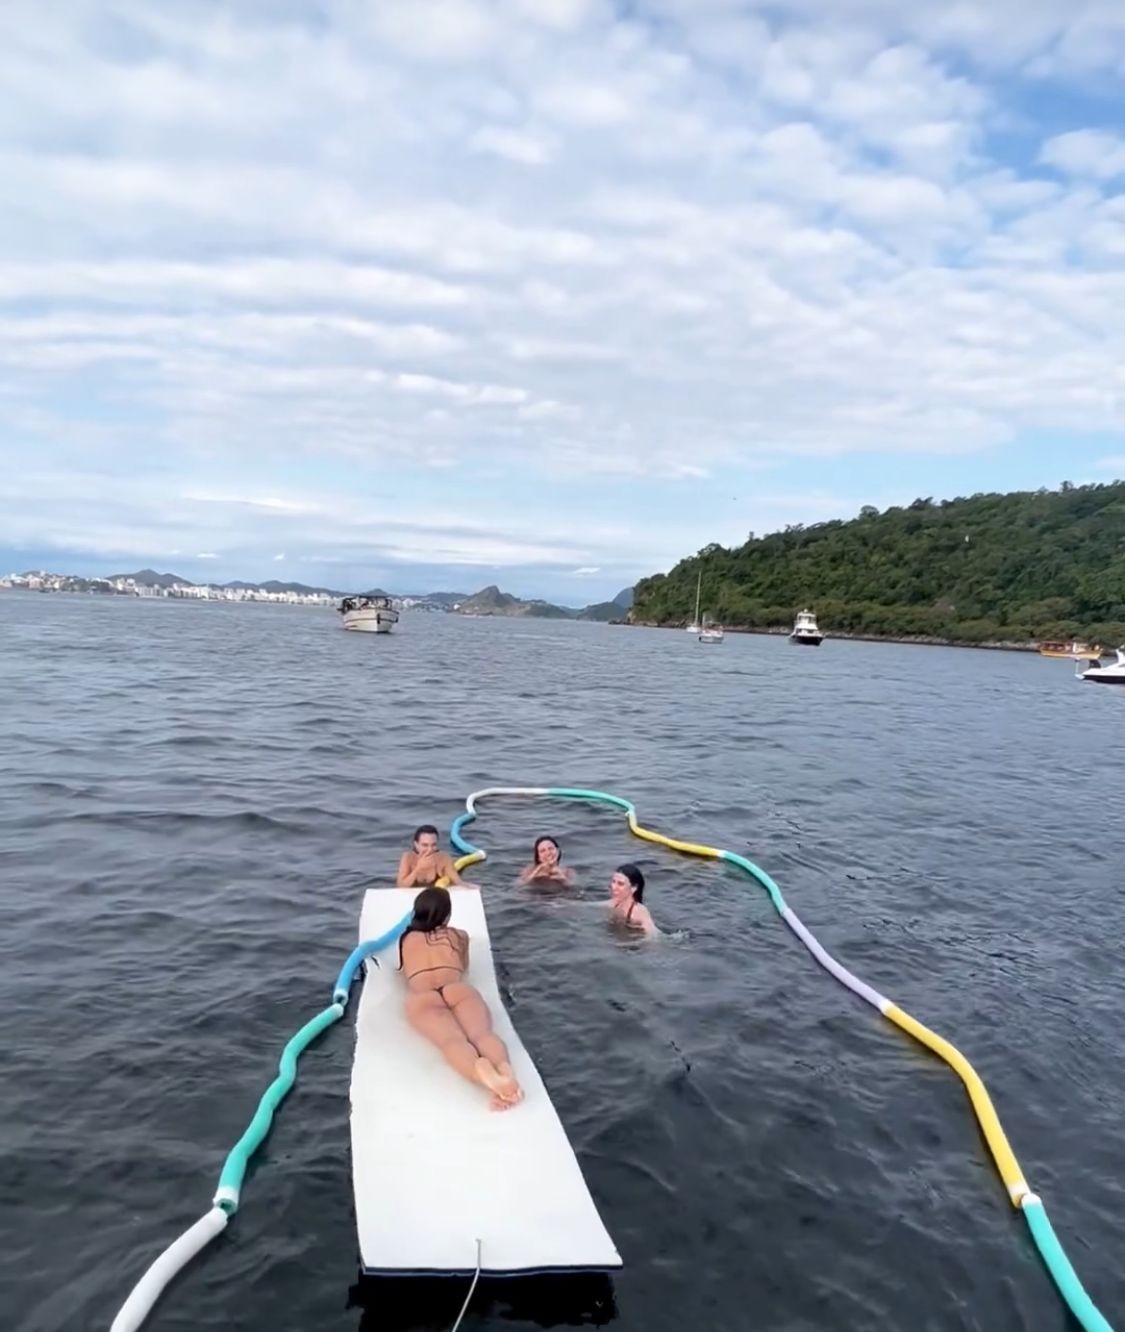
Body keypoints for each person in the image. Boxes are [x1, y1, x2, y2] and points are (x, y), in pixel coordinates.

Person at [398, 887, 523, 1111]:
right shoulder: (459, 935)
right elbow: (463, 967)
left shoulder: (406, 939)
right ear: (447, 915)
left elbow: (404, 970)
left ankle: (485, 1076)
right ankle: (506, 1074)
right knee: (481, 1034)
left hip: (423, 997)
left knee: (452, 1042)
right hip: (457, 989)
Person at [397, 825, 464, 888]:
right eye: (425, 845)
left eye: (433, 845)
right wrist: (418, 869)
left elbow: (458, 882)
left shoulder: (443, 858)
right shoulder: (408, 858)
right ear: (416, 844)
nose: (430, 850)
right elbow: (401, 885)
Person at [608, 863, 658, 937]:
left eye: (620, 884)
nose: (614, 887)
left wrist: (627, 944)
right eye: (613, 881)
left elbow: (653, 936)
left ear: (633, 888)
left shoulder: (639, 911)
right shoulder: (614, 903)